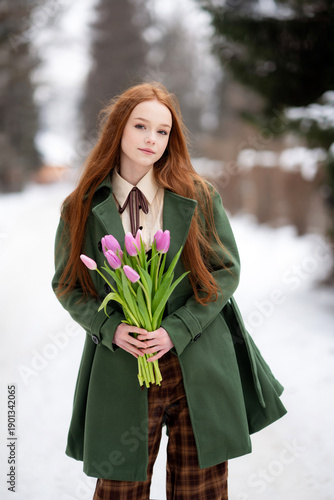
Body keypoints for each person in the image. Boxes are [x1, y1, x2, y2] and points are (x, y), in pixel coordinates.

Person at [52, 82, 287, 500]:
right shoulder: (82, 207)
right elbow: (68, 285)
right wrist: (110, 329)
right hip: (124, 365)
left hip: (198, 362)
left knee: (201, 493)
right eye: (141, 126)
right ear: (118, 130)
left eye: (162, 131)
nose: (151, 139)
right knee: (119, 490)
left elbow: (225, 271)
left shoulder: (197, 195)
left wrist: (176, 330)